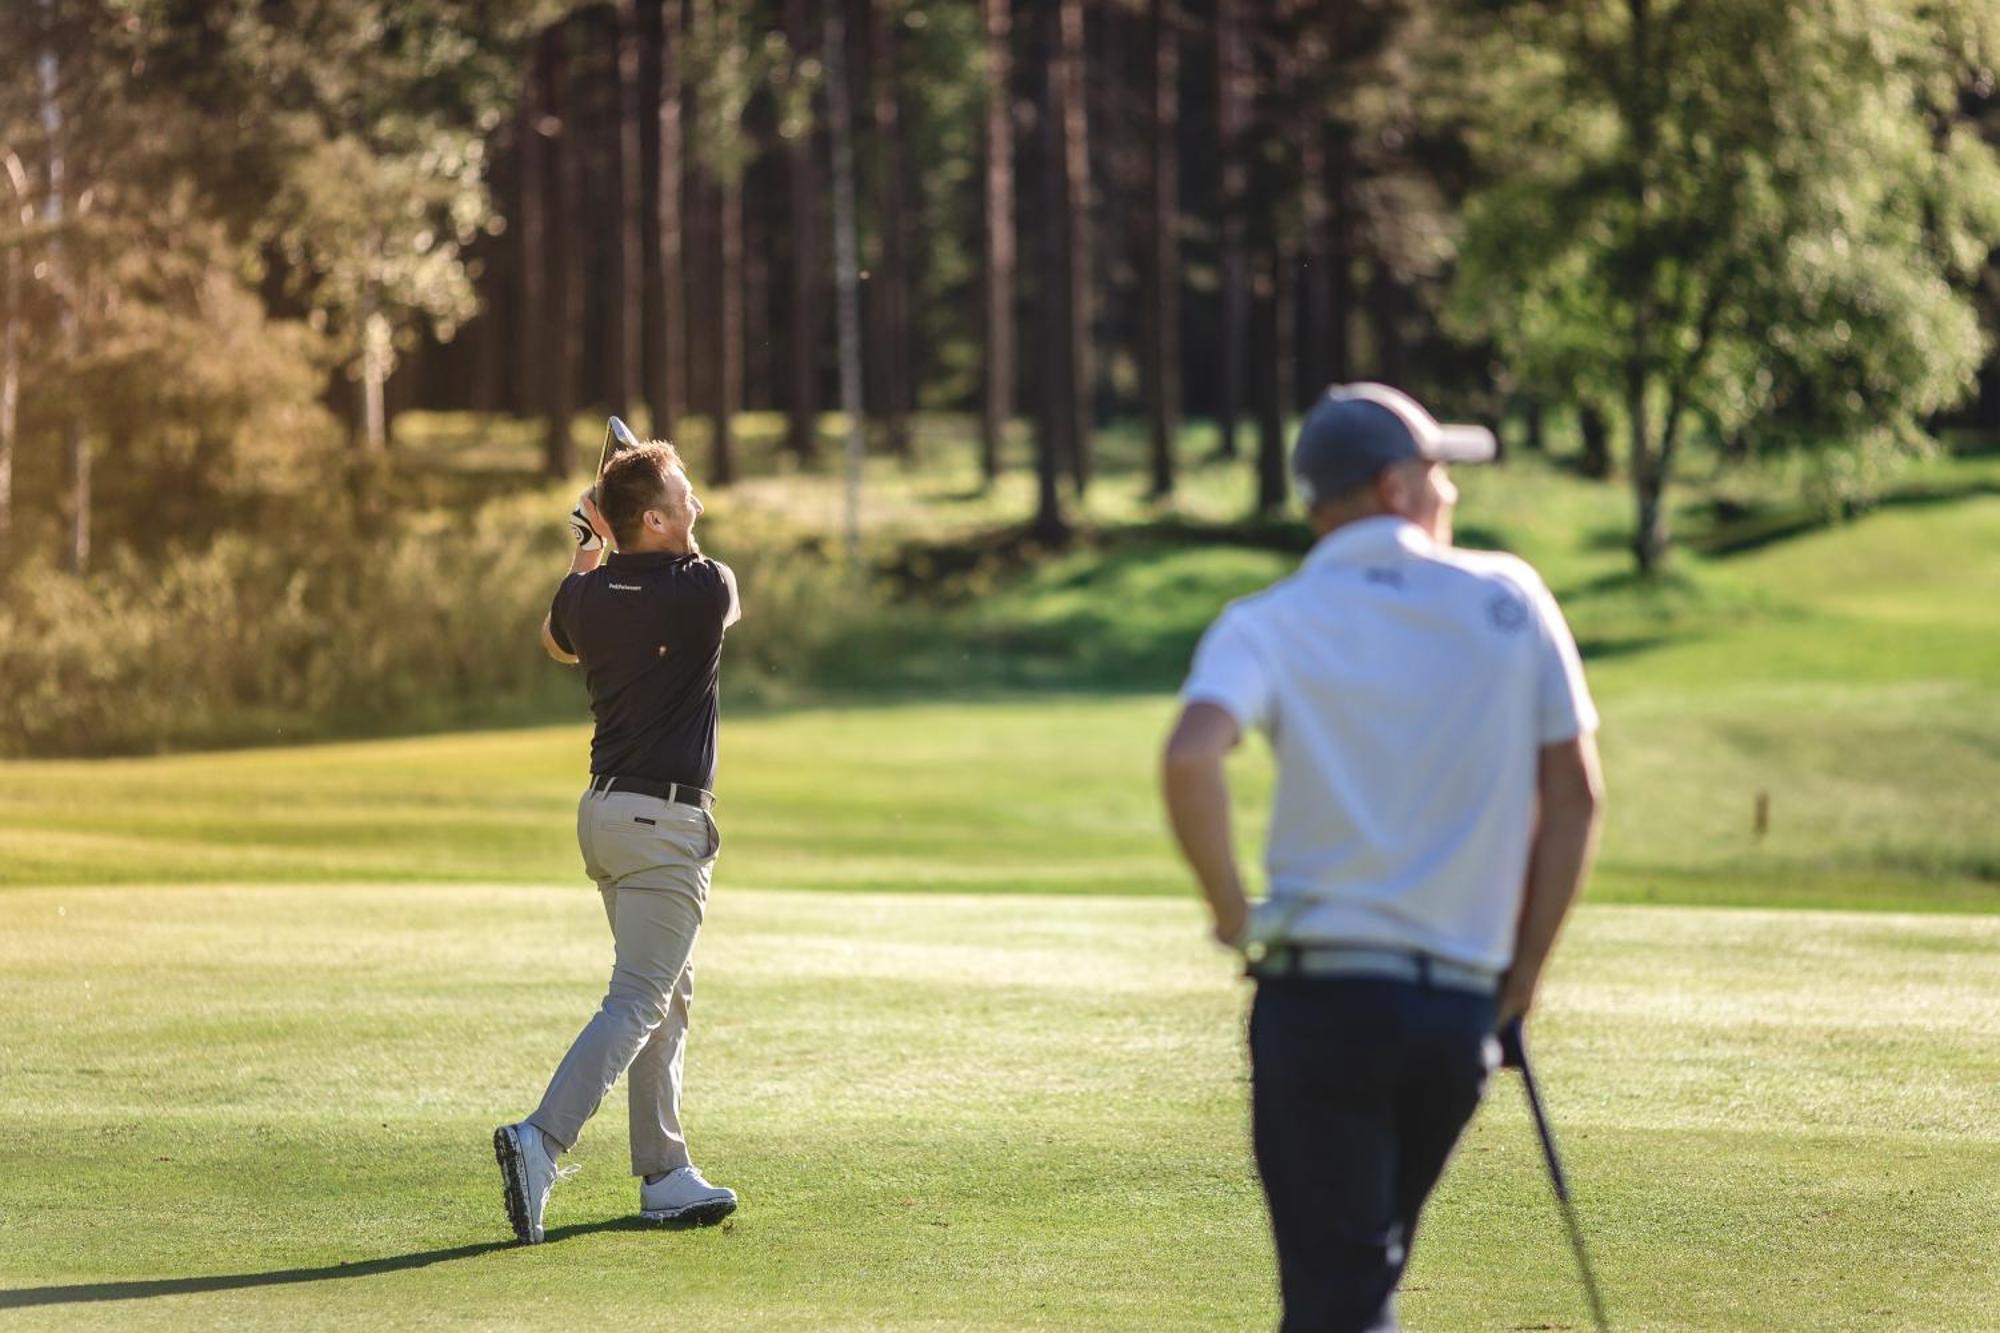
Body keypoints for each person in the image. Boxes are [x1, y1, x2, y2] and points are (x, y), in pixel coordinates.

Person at [1160, 383, 1605, 1331]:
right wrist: (1521, 974)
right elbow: (1575, 794)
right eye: (1441, 473)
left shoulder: (1267, 617)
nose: (1449, 493)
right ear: (1398, 485)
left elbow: (1192, 755)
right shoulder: (1510, 595)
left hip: (1317, 1005)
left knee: (1339, 1293)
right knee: (1356, 1283)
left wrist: (1238, 920)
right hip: (1455, 1018)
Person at [493, 440, 743, 1245]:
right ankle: (542, 1138)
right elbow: (713, 586)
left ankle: (665, 1172)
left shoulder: (588, 595)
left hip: (604, 816)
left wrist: (591, 545)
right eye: (686, 498)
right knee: (639, 997)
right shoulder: (707, 587)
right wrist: (619, 541)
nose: (698, 507)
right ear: (658, 520)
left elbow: (556, 637)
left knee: (665, 994)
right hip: (663, 823)